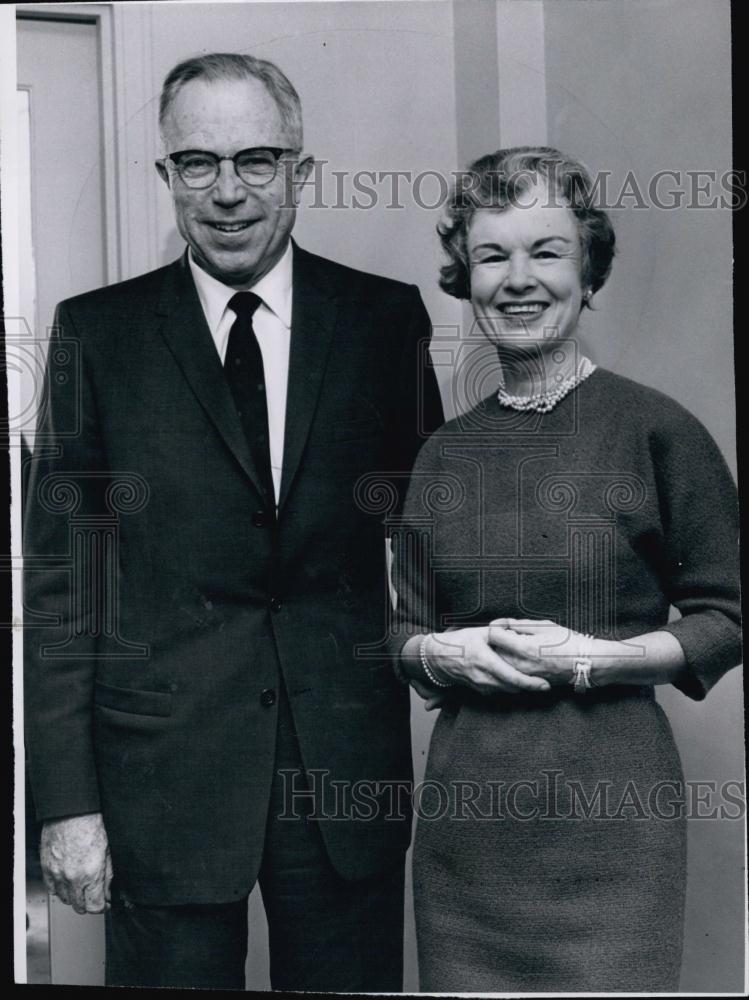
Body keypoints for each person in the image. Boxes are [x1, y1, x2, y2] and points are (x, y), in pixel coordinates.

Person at [23, 52, 443, 990]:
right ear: (166, 174)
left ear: (302, 172)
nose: (226, 193)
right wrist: (66, 806)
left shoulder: (383, 322)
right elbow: (63, 585)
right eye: (196, 164)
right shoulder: (96, 335)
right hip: (160, 781)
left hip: (343, 776)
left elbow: (436, 533)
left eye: (255, 161)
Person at [389, 147, 741, 992]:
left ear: (588, 271)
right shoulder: (442, 453)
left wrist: (597, 657)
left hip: (613, 830)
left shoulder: (657, 431)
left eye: (545, 251)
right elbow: (404, 627)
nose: (518, 279)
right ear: (464, 279)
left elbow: (727, 615)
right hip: (466, 839)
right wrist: (441, 655)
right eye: (490, 255)